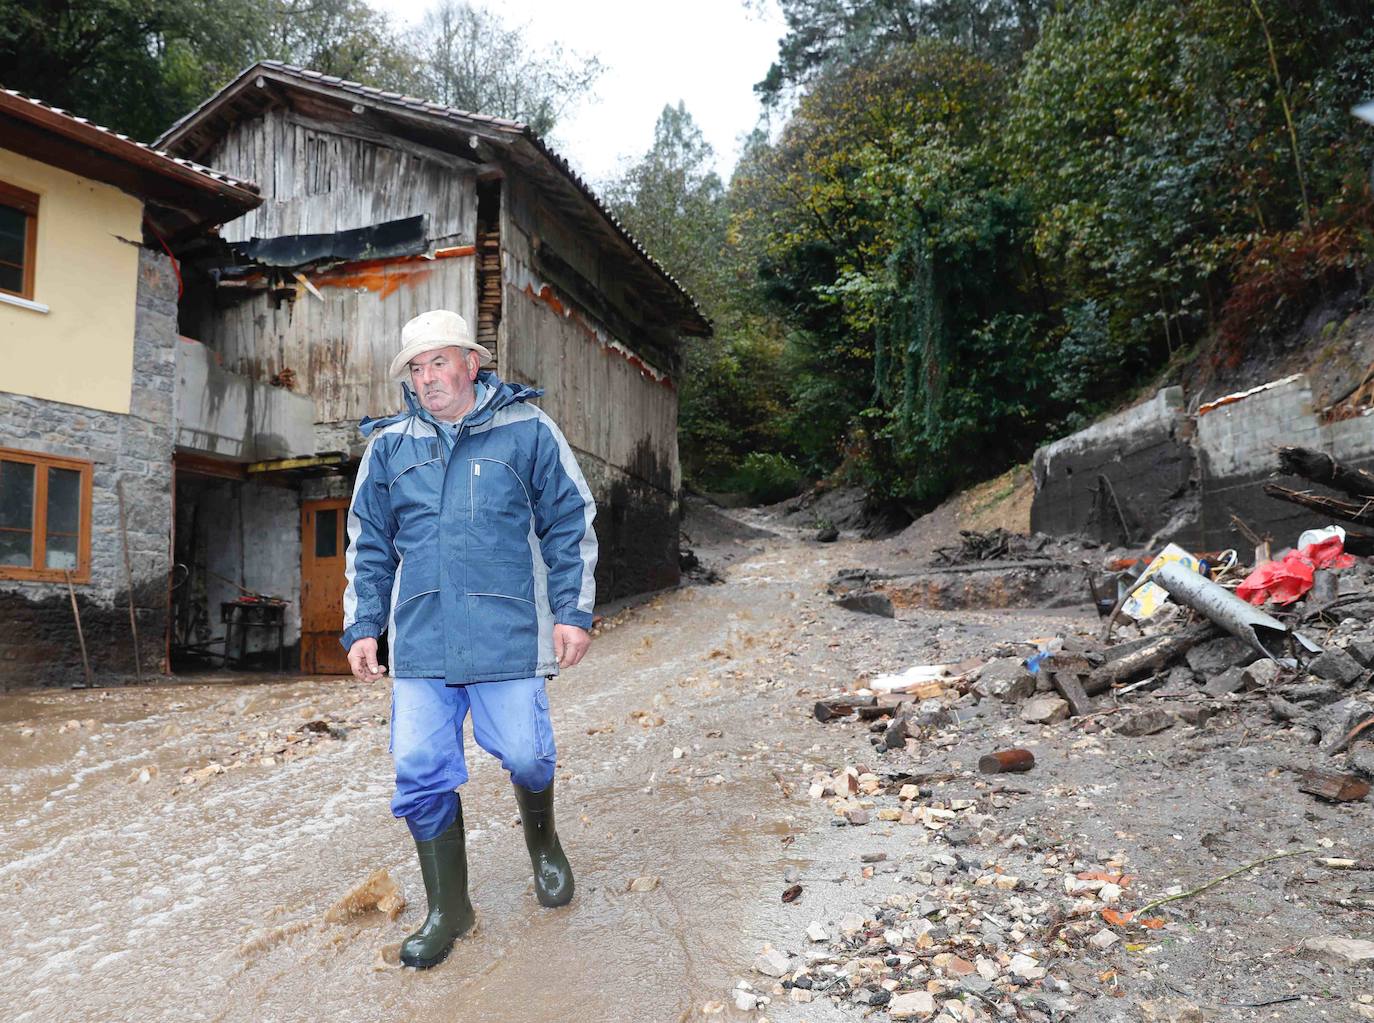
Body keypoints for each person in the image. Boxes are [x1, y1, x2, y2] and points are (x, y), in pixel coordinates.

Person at [341, 308, 597, 969]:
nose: (428, 378)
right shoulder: (390, 447)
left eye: (439, 361)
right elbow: (368, 543)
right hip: (423, 638)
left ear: (472, 363)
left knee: (528, 753)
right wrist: (364, 625)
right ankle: (450, 908)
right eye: (417, 367)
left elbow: (568, 519)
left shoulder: (527, 431)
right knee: (418, 773)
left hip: (507, 629)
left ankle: (543, 845)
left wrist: (572, 608)